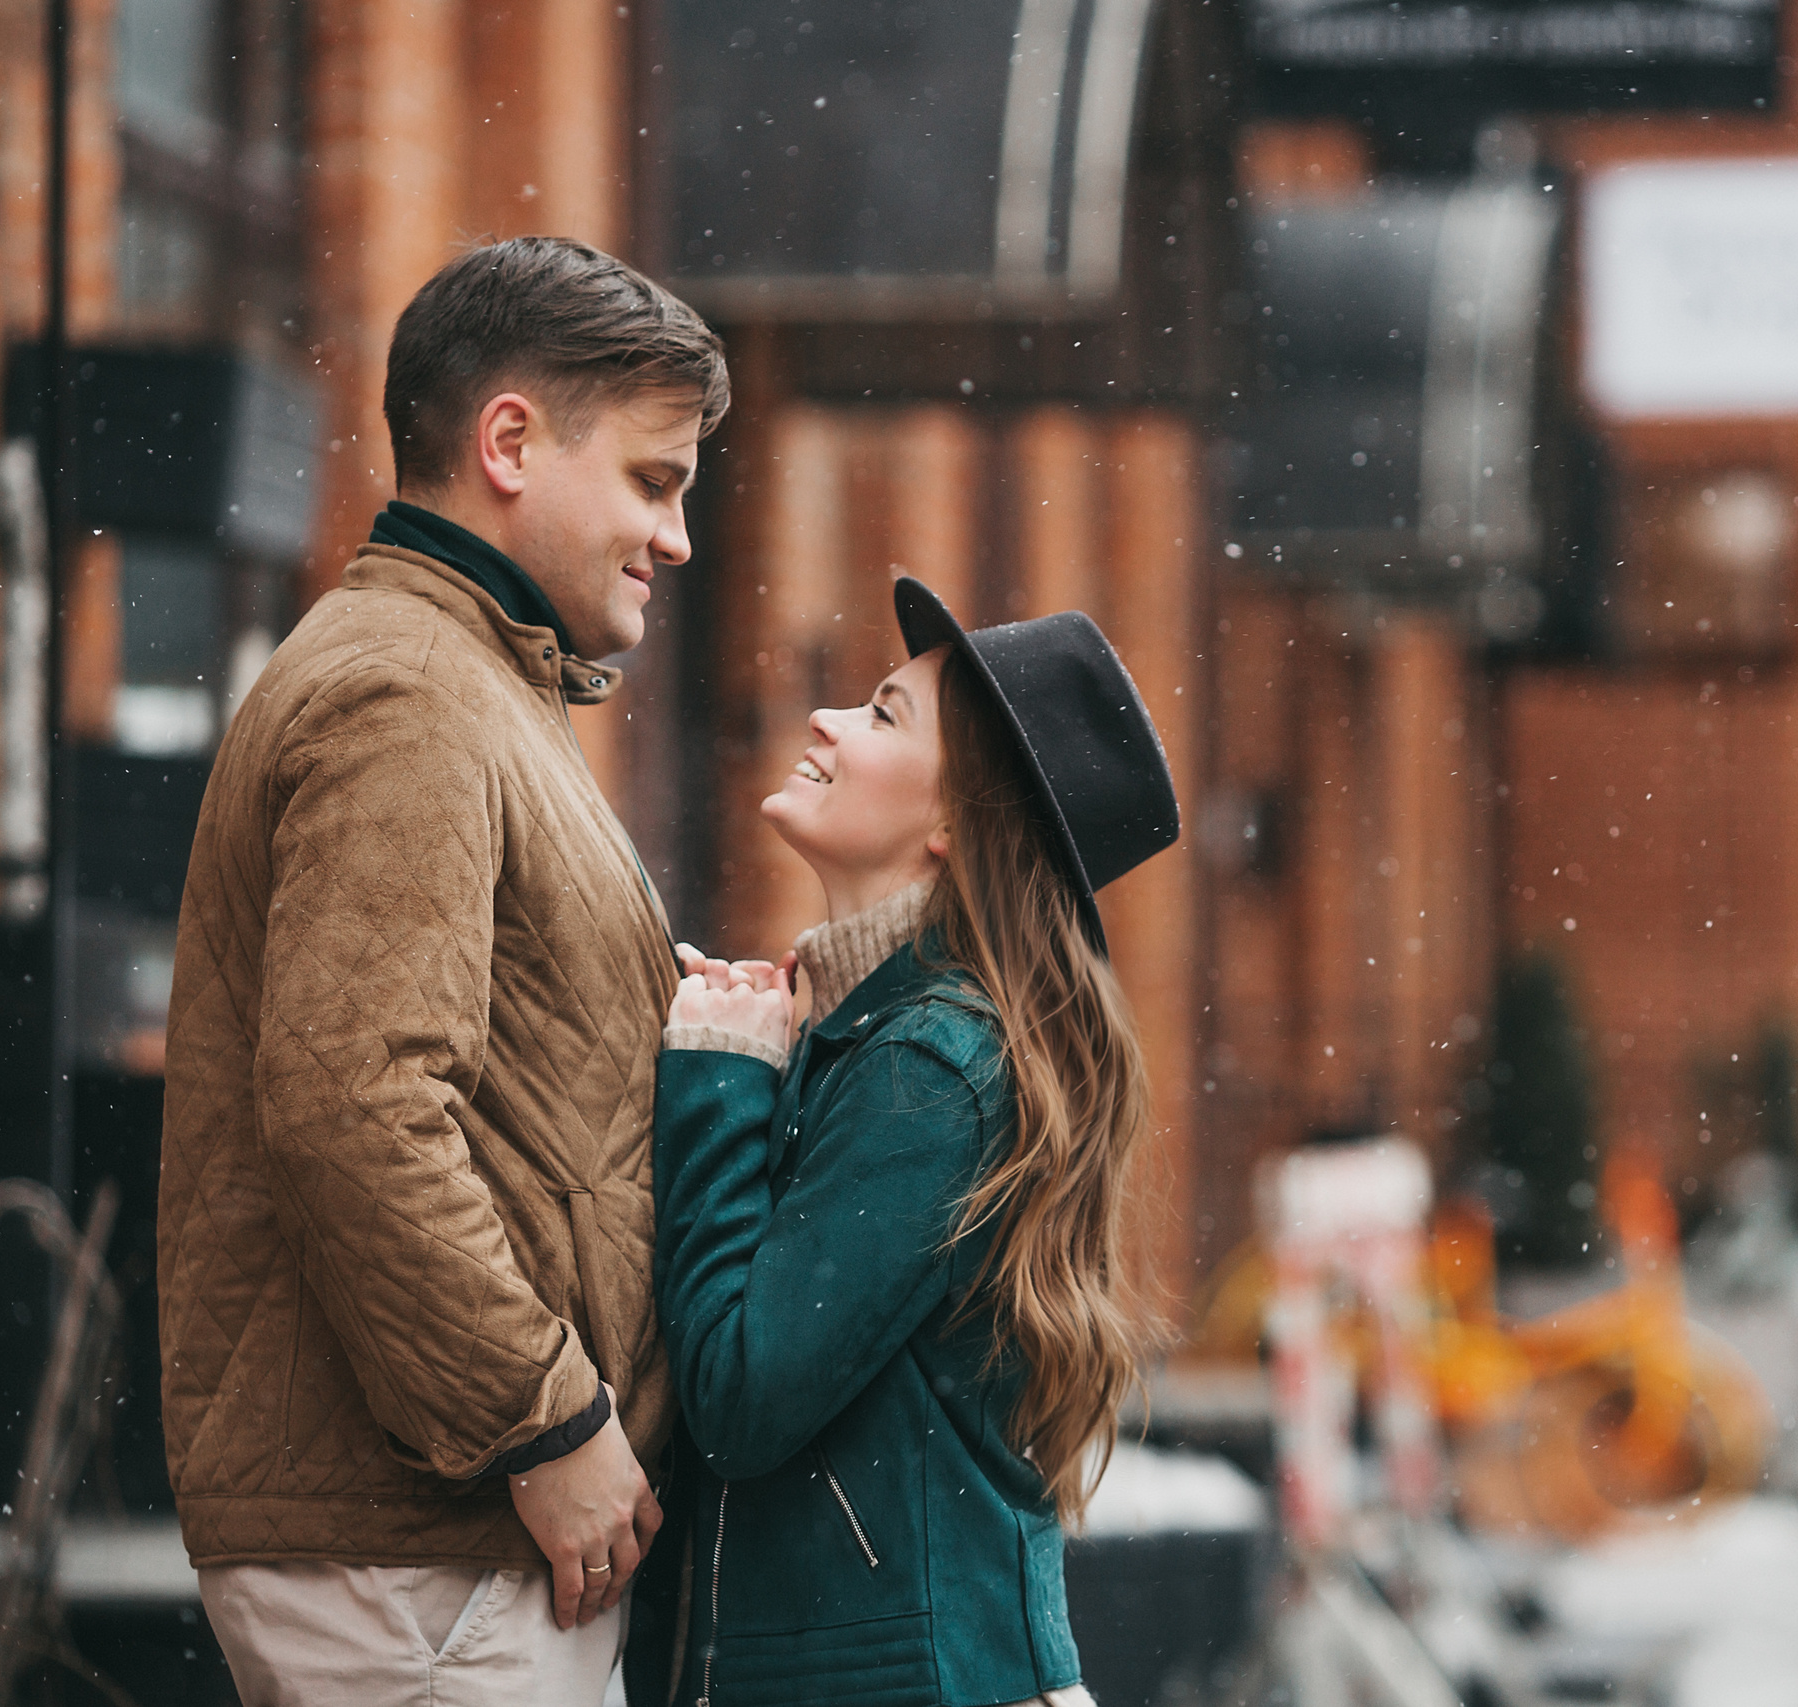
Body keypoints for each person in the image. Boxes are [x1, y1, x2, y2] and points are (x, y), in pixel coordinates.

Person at [158, 236, 727, 1706]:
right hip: (421, 1559)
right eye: (654, 481)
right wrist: (544, 1424)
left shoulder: (469, 678)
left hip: (439, 1552)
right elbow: (352, 1106)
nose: (677, 538)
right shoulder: (409, 690)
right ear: (510, 443)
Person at [622, 578, 1181, 1707]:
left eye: (883, 714)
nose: (825, 719)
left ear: (953, 827)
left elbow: (740, 1397)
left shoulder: (929, 1068)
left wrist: (719, 1089)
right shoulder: (870, 1039)